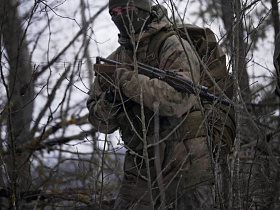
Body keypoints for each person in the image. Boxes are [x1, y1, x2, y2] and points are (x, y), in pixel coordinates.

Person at [87, 0, 235, 209]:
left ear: (142, 10)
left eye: (126, 10)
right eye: (115, 12)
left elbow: (178, 101)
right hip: (140, 166)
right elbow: (101, 123)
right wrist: (112, 98)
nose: (120, 16)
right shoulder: (114, 61)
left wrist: (128, 83)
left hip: (186, 163)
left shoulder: (172, 45)